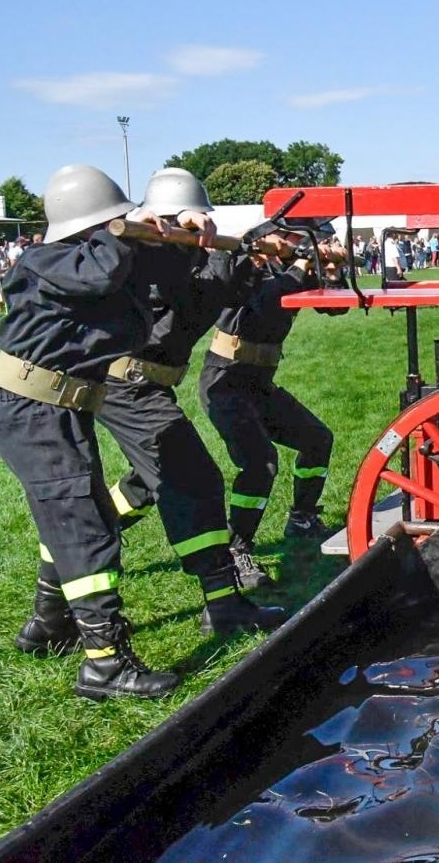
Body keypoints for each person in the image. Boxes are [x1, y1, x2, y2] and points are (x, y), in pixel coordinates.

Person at [0, 165, 187, 699]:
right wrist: (125, 230)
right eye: (117, 218)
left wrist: (183, 233)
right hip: (33, 410)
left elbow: (156, 277)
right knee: (85, 528)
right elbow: (100, 274)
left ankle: (48, 626)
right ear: (96, 223)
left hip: (56, 407)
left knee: (79, 516)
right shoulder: (50, 260)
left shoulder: (93, 255)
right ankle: (104, 666)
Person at [92, 169, 287, 636]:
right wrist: (208, 247)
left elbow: (224, 293)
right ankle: (223, 606)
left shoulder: (179, 256)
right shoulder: (144, 255)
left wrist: (254, 254)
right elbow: (192, 291)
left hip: (144, 384)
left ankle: (58, 577)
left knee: (148, 480)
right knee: (195, 478)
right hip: (126, 383)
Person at [200, 224, 346, 588]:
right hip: (225, 381)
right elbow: (265, 304)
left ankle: (302, 517)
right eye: (314, 240)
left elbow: (338, 308)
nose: (321, 246)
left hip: (259, 382)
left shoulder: (293, 269)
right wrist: (299, 265)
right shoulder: (251, 262)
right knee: (260, 463)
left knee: (316, 440)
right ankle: (237, 550)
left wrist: (331, 272)